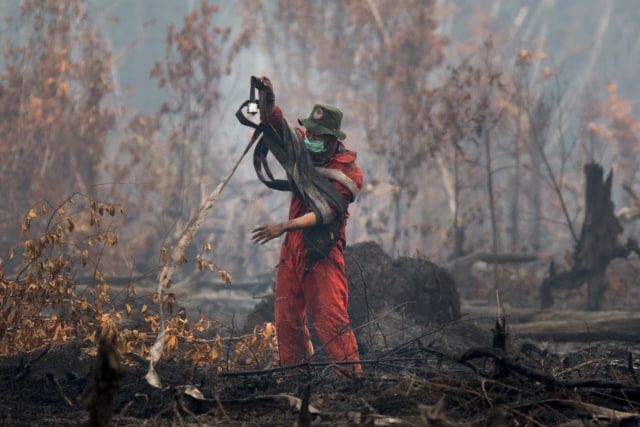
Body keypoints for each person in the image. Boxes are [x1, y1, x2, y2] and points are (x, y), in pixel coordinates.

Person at [250, 76, 363, 377]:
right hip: (293, 252)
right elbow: (279, 130)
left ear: (332, 138)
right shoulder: (302, 150)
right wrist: (268, 99)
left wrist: (285, 226)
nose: (310, 137)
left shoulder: (347, 173)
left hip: (322, 252)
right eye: (309, 131)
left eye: (317, 134)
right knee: (287, 319)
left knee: (330, 319)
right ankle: (295, 378)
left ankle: (351, 381)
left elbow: (325, 212)